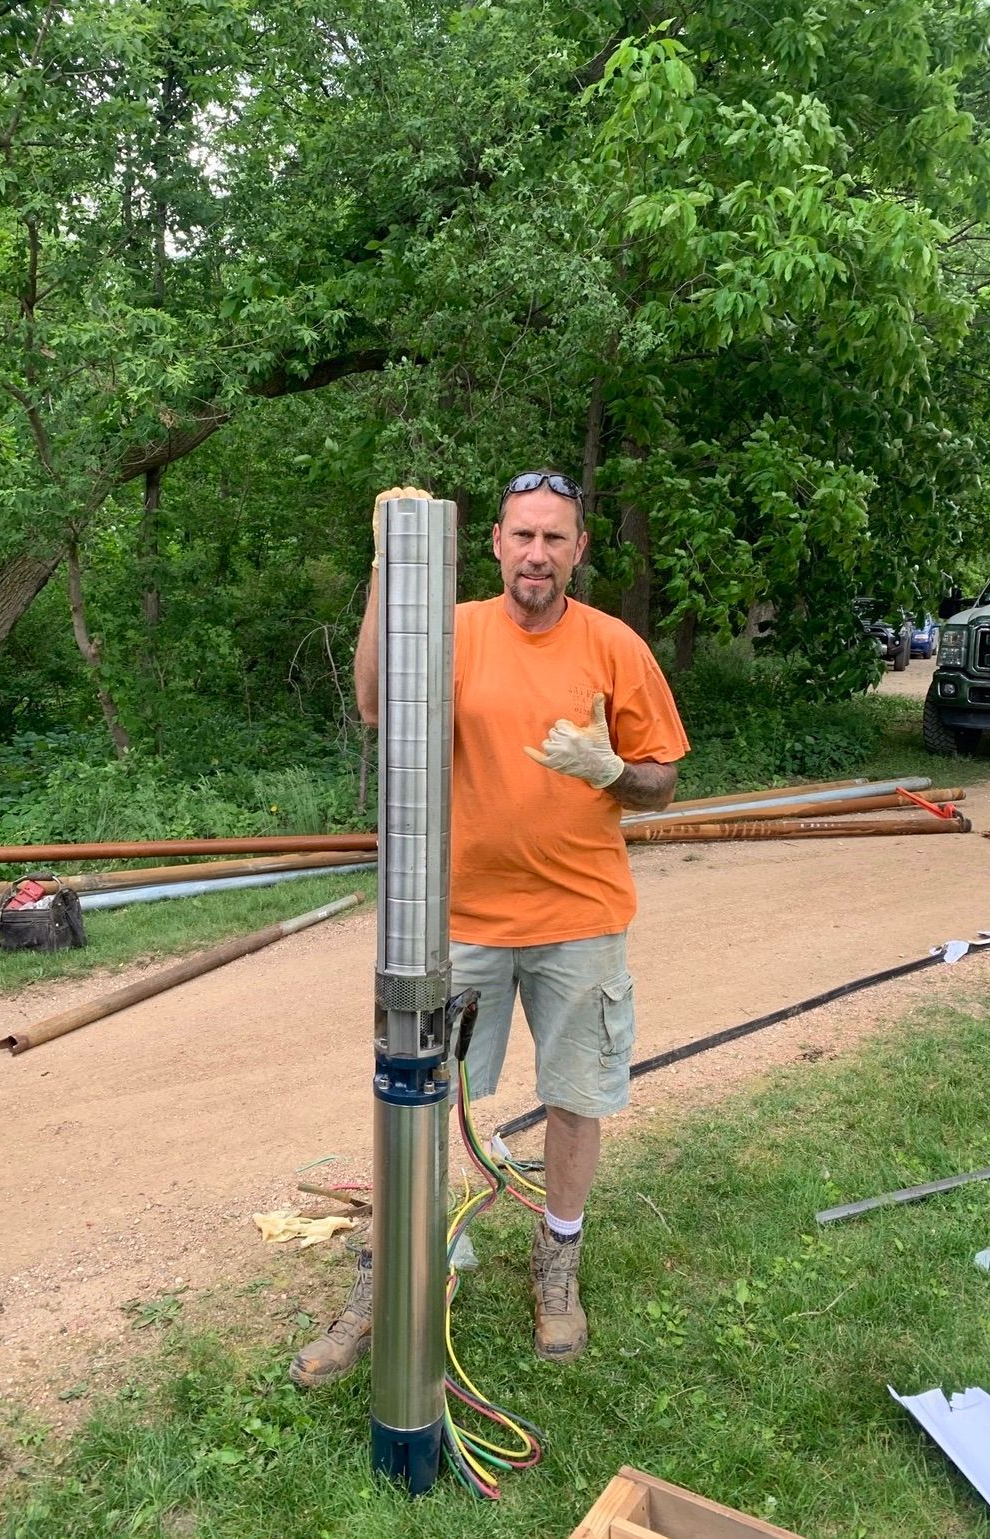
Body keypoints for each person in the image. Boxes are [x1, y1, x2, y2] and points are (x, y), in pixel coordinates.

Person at [290, 470, 689, 1386]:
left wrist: (610, 769)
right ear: (497, 543)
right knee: (419, 1098)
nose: (537, 554)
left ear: (579, 550)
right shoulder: (456, 630)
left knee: (575, 1097)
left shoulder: (615, 646)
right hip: (460, 922)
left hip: (580, 920)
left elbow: (663, 780)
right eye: (523, 536)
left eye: (555, 538)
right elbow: (374, 703)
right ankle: (392, 1275)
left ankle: (558, 1263)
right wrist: (385, 565)